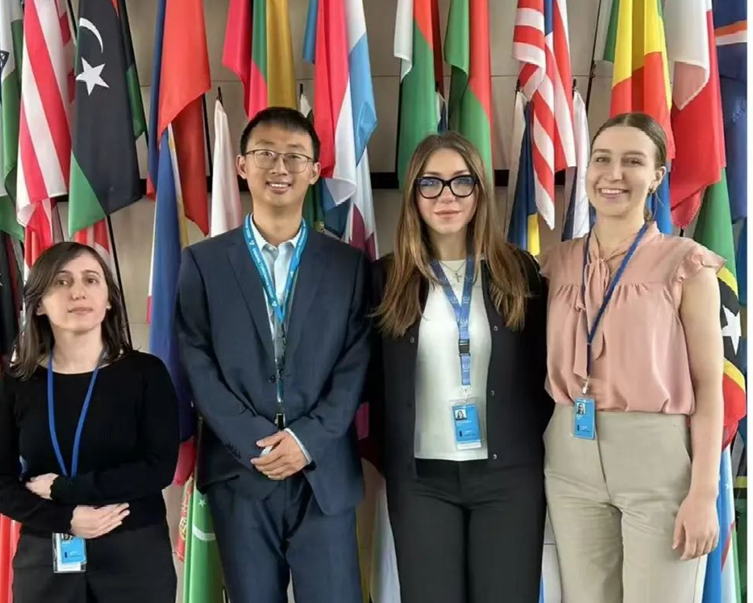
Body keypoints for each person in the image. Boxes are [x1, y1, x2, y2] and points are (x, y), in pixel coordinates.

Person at [176, 106, 371, 603]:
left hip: (322, 470)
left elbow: (355, 365)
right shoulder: (203, 263)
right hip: (242, 471)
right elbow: (197, 362)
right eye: (265, 154)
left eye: (294, 156)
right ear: (242, 165)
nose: (279, 168)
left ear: (315, 170)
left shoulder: (348, 266)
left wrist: (306, 440)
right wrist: (254, 442)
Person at [539, 112, 723, 602]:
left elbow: (709, 389)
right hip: (569, 461)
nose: (613, 174)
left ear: (657, 176)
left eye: (633, 161)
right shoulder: (556, 263)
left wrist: (704, 492)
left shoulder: (685, 264)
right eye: (602, 159)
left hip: (657, 464)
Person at [367, 132, 552, 603]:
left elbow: (542, 371)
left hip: (509, 478)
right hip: (421, 481)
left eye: (460, 182)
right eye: (431, 183)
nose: (446, 196)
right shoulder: (386, 278)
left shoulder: (518, 271)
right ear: (413, 194)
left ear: (480, 191)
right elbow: (370, 379)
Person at [0, 242, 179, 603]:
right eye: (61, 281)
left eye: (91, 280)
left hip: (134, 556)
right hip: (46, 554)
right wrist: (65, 518)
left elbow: (158, 467)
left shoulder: (146, 373)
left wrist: (64, 490)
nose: (78, 292)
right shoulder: (16, 384)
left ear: (109, 299)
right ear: (39, 304)